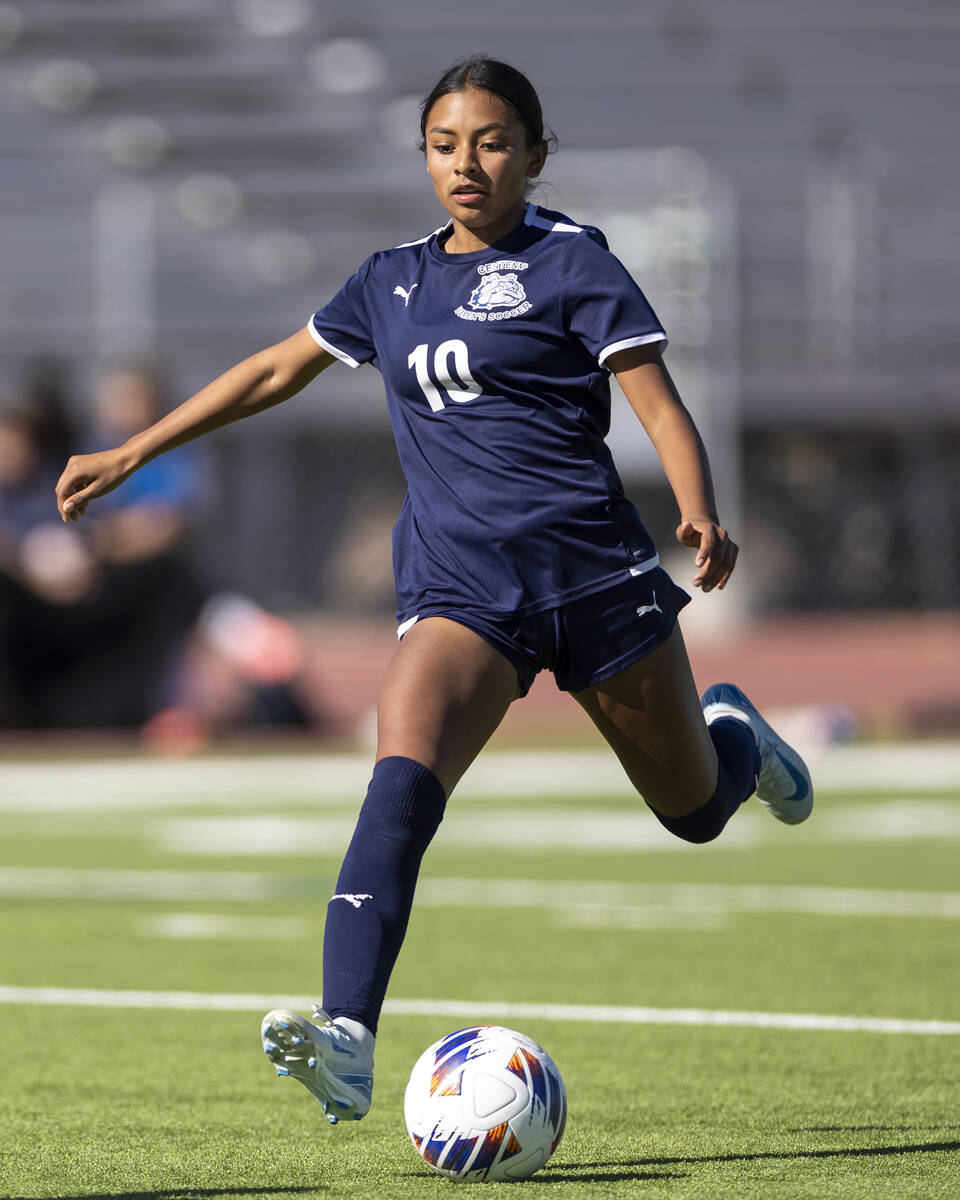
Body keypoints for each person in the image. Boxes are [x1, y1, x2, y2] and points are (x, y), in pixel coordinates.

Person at [56, 56, 812, 1126]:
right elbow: (277, 369)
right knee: (399, 782)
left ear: (536, 158)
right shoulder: (388, 279)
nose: (469, 162)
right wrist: (133, 449)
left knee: (693, 815)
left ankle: (737, 737)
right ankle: (349, 1037)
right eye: (447, 143)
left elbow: (657, 402)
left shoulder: (575, 264)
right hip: (462, 593)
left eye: (494, 141)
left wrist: (697, 505)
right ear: (425, 155)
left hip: (594, 578)